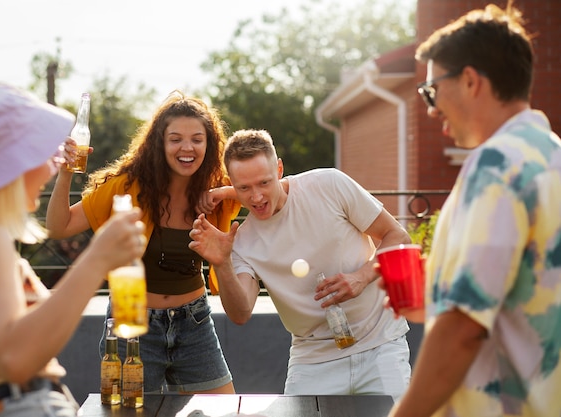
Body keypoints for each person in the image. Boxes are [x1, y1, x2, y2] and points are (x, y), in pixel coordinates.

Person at [383, 3, 561, 417]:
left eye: (431, 91)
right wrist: (439, 290)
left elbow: (462, 330)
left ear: (469, 81)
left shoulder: (496, 166)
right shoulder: (550, 157)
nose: (430, 107)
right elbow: (525, 297)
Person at [0, 83, 145, 417]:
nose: (53, 166)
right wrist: (97, 259)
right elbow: (15, 360)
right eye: (43, 154)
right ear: (13, 161)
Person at [189, 128, 412, 398]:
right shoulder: (242, 240)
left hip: (381, 344)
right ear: (233, 185)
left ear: (279, 169)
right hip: (312, 360)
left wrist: (362, 277)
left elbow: (397, 236)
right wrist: (222, 263)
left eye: (264, 183)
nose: (256, 197)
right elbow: (240, 313)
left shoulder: (330, 184)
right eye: (244, 188)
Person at [46, 91, 240, 394]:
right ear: (159, 143)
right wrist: (65, 172)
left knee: (225, 412)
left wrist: (222, 194)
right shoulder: (126, 185)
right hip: (131, 323)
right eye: (175, 139)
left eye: (197, 139)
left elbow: (269, 195)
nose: (186, 148)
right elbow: (59, 226)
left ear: (209, 144)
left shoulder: (217, 186)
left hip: (195, 321)